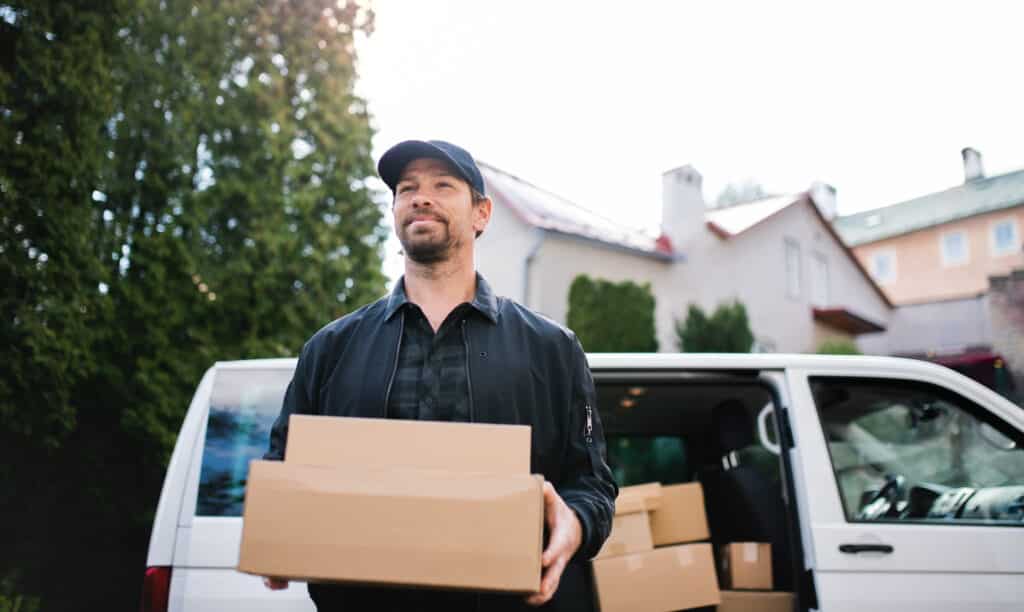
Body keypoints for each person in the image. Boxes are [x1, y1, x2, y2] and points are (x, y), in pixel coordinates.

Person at [262, 139, 617, 611]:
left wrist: (575, 524)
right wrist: (277, 525)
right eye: (406, 188)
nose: (419, 197)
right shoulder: (330, 349)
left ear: (481, 214)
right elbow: (283, 463)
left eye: (442, 186)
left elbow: (591, 482)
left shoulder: (552, 349)